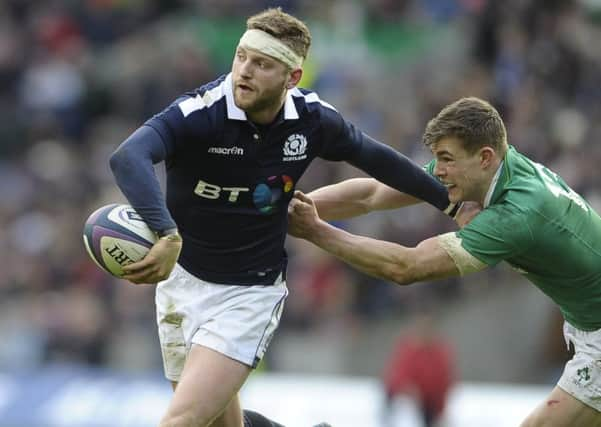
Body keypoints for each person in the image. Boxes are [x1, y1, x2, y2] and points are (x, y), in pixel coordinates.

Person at [108, 8, 460, 427]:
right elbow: (128, 157)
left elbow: (377, 159)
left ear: (292, 77)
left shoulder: (311, 119)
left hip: (247, 296)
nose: (244, 71)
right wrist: (166, 234)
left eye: (262, 64)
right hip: (179, 285)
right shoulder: (199, 112)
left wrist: (451, 201)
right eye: (241, 57)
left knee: (180, 421)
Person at [288, 96, 601, 427]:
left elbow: (406, 267)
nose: (438, 171)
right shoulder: (498, 168)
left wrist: (316, 232)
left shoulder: (516, 215)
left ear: (484, 157)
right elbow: (372, 195)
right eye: (437, 159)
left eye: (447, 159)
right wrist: (282, 210)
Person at [381, 309, 455, 427]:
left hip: (427, 402)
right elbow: (396, 374)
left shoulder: (440, 353)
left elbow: (444, 383)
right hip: (406, 396)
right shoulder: (407, 348)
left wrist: (440, 410)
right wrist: (406, 388)